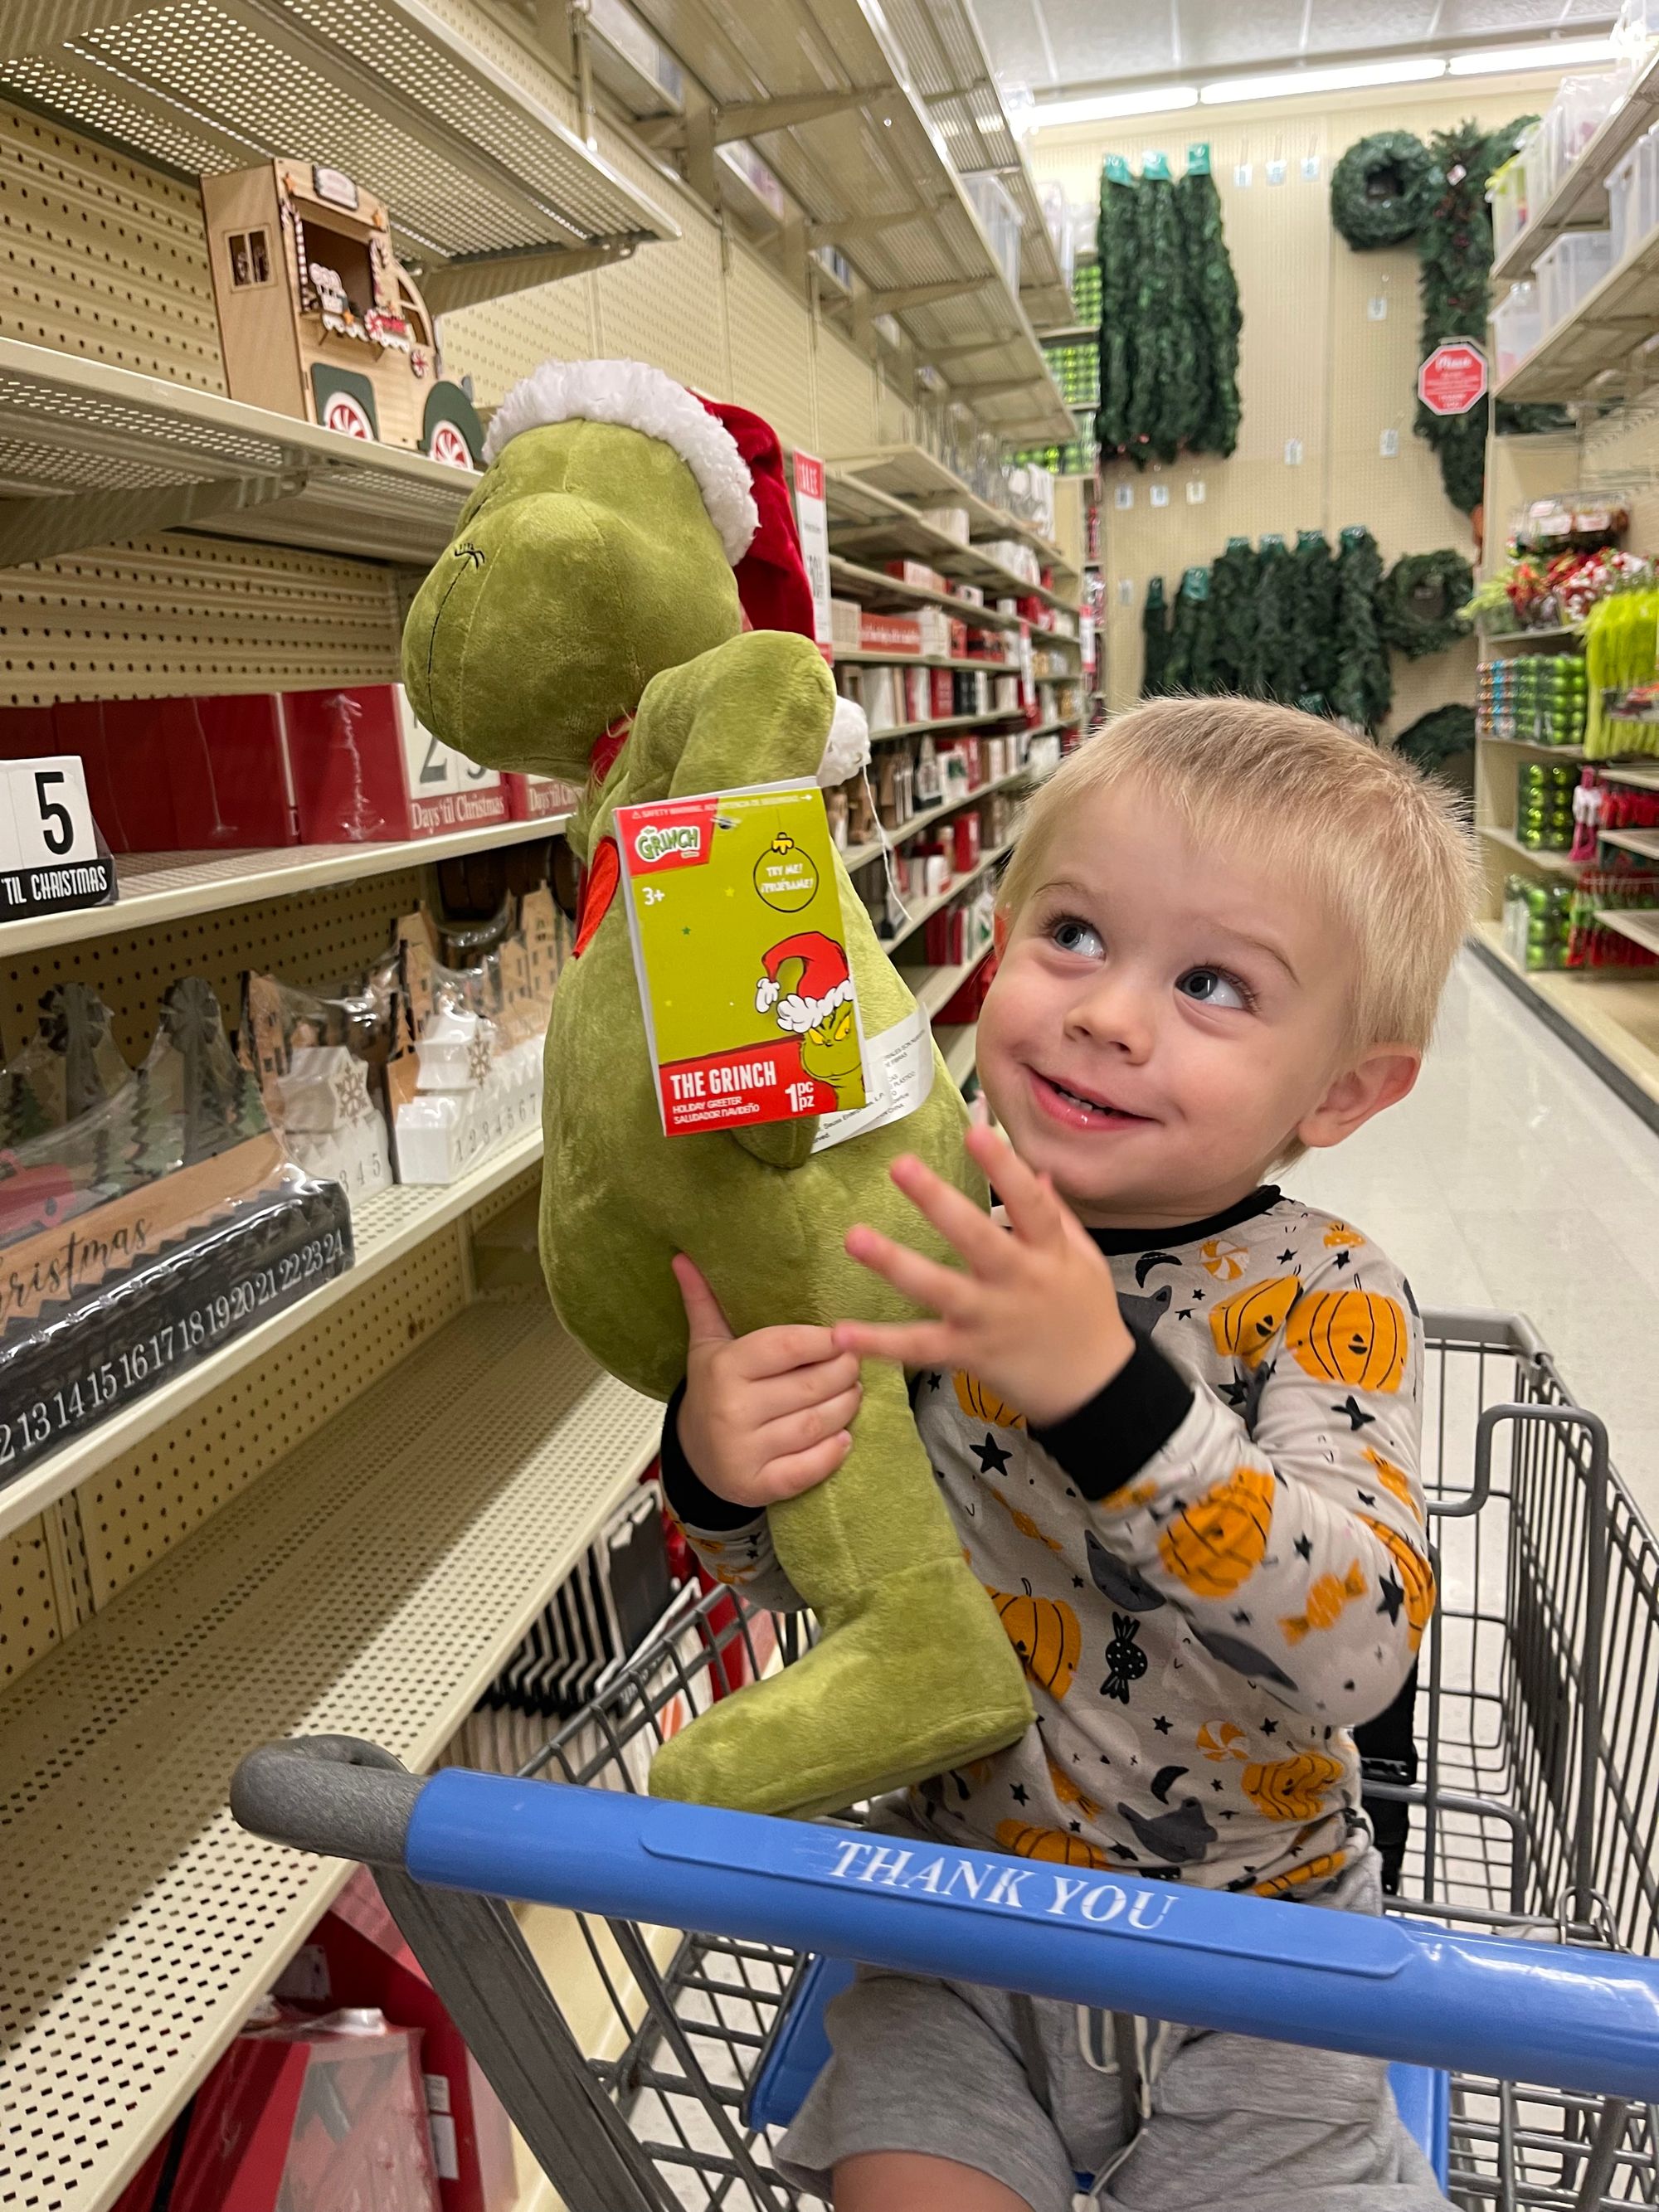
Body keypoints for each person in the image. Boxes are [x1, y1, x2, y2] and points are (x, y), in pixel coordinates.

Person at [659, 697, 1474, 2212]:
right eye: (1075, 935)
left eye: (1214, 983)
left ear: (1344, 1088)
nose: (1107, 1014)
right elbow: (814, 1572)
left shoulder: (1324, 1294)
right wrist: (720, 1467)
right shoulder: (921, 1238)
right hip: (953, 1916)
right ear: (1000, 941)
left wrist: (1107, 1389)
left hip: (1264, 1945)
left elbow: (1364, 1648)